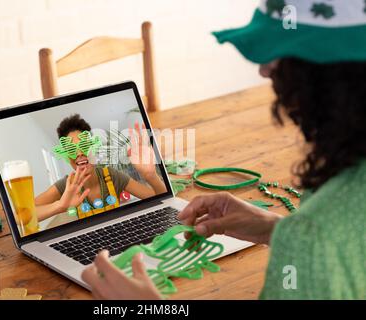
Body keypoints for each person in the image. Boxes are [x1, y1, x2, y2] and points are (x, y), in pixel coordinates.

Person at [81, 0, 366, 299]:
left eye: (279, 52)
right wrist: (275, 229)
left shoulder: (315, 239)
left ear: (332, 74)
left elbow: (325, 245)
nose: (264, 70)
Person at [35, 114, 167, 228]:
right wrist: (59, 206)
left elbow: (161, 200)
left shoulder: (112, 175)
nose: (79, 153)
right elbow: (22, 215)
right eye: (71, 149)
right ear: (67, 157)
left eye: (84, 146)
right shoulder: (65, 186)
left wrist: (151, 176)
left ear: (94, 147)